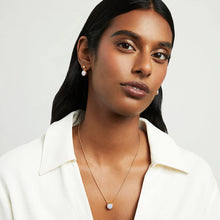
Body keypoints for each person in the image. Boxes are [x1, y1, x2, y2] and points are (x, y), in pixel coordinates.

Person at [0, 0, 220, 219]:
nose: (144, 67)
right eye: (126, 45)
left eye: (159, 55)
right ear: (86, 53)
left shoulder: (196, 182)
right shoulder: (15, 177)